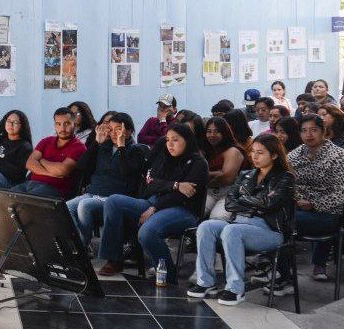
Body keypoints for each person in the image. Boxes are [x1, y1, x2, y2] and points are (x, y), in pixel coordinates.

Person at [188, 133, 295, 305]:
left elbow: (269, 203)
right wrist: (254, 204)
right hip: (239, 224)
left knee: (232, 230)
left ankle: (236, 289)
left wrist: (243, 200)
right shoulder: (246, 174)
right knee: (206, 226)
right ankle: (206, 282)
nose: (254, 156)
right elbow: (230, 203)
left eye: (260, 152)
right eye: (253, 151)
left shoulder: (285, 177)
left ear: (274, 155)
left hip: (270, 231)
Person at [96, 124, 207, 282]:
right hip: (154, 202)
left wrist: (155, 207)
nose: (170, 144)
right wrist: (175, 185)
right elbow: (151, 183)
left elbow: (183, 196)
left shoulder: (198, 163)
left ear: (187, 141)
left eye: (175, 140)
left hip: (183, 210)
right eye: (168, 139)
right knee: (114, 201)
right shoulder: (165, 156)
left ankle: (167, 273)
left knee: (147, 232)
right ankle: (114, 259)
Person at [268, 115, 344, 293]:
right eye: (304, 130)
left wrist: (313, 204)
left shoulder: (338, 156)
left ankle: (284, 276)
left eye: (314, 130)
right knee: (268, 218)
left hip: (327, 214)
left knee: (279, 222)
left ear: (324, 131)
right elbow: (283, 178)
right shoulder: (296, 154)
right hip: (297, 208)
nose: (309, 135)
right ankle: (277, 269)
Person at [67, 112, 147, 247]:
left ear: (129, 131)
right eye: (111, 129)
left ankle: (82, 246)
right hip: (93, 193)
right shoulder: (104, 147)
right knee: (67, 207)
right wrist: (96, 143)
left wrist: (121, 147)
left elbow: (126, 172)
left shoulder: (136, 150)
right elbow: (82, 166)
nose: (114, 134)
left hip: (113, 198)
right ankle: (78, 245)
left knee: (84, 206)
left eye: (119, 129)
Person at [14, 108, 87, 198]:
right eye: (58, 124)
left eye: (67, 124)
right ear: (55, 125)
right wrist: (51, 173)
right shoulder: (46, 141)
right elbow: (29, 163)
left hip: (55, 189)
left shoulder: (79, 147)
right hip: (30, 184)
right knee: (5, 198)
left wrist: (41, 160)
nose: (62, 128)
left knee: (25, 201)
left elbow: (62, 170)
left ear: (74, 124)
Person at [201, 117, 244, 219]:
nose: (212, 135)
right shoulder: (207, 150)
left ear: (225, 133)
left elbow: (227, 178)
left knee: (217, 218)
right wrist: (217, 173)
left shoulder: (233, 150)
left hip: (229, 193)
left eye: (217, 132)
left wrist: (205, 176)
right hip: (210, 191)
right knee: (194, 213)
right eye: (209, 131)